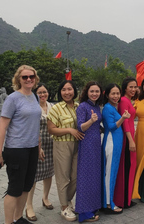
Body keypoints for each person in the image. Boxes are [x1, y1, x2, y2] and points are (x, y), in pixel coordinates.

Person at [0, 65, 42, 224]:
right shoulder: (12, 98)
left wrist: (39, 148)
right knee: (14, 188)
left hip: (32, 148)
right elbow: (2, 127)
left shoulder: (35, 96)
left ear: (35, 79)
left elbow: (36, 125)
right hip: (16, 149)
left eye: (31, 77)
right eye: (25, 77)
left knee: (26, 186)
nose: (29, 79)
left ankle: (18, 218)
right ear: (18, 79)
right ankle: (8, 222)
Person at [47, 80, 83, 222]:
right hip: (62, 144)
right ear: (60, 92)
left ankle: (68, 201)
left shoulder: (78, 106)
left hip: (78, 144)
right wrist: (69, 129)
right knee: (63, 176)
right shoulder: (56, 108)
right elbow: (51, 129)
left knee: (75, 175)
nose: (67, 92)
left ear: (74, 91)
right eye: (64, 89)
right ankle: (63, 207)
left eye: (69, 89)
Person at [25, 84, 54, 222]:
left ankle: (45, 197)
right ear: (36, 94)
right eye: (40, 92)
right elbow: (32, 128)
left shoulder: (52, 107)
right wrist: (38, 146)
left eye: (45, 92)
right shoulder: (33, 108)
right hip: (37, 145)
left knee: (48, 173)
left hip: (51, 145)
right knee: (34, 175)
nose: (43, 94)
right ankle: (29, 205)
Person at [75, 81, 103, 222]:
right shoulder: (82, 107)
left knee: (94, 176)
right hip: (87, 145)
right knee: (86, 177)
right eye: (92, 91)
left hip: (96, 144)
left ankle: (93, 207)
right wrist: (91, 121)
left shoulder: (97, 106)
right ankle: (84, 212)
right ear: (87, 92)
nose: (94, 94)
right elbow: (80, 127)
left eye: (97, 91)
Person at [101, 83, 131, 214]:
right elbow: (112, 127)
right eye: (112, 93)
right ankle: (108, 203)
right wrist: (123, 118)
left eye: (117, 93)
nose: (115, 96)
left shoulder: (113, 108)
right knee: (110, 174)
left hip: (116, 144)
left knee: (113, 173)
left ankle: (109, 201)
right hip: (111, 144)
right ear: (107, 95)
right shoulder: (108, 108)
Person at [115, 77, 138, 209]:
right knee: (126, 168)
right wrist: (130, 140)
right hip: (127, 137)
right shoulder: (124, 100)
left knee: (130, 167)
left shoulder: (128, 100)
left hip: (130, 137)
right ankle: (123, 200)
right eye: (131, 87)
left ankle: (127, 198)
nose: (134, 89)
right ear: (125, 88)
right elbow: (125, 123)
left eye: (135, 87)